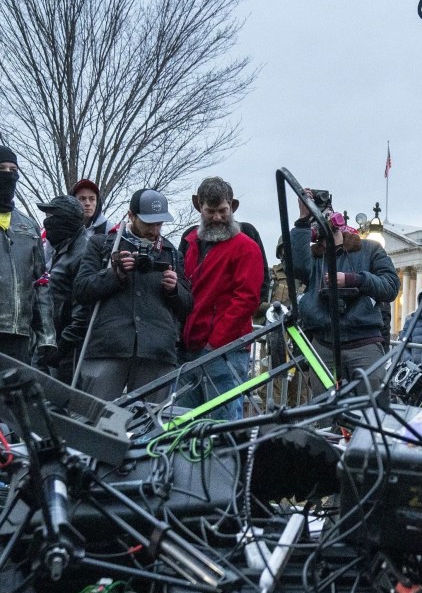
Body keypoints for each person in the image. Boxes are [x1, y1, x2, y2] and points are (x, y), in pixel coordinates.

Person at [73, 189, 192, 400]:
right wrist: (113, 275)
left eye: (160, 224)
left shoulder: (172, 253)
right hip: (108, 346)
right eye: (149, 223)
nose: (155, 230)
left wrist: (174, 290)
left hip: (156, 351)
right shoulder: (103, 245)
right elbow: (81, 290)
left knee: (150, 426)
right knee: (94, 419)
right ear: (131, 216)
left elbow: (187, 305)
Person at [179, 177, 265, 420]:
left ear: (232, 208)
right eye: (211, 211)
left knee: (221, 424)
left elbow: (246, 299)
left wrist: (216, 341)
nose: (217, 217)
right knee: (185, 421)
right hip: (193, 346)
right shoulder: (190, 244)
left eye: (222, 211)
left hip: (224, 349)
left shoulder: (246, 248)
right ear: (200, 208)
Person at [291, 198, 399, 390]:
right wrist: (302, 220)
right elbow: (297, 266)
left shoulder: (370, 250)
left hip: (363, 342)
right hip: (324, 343)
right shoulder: (315, 258)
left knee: (371, 407)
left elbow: (390, 287)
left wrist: (354, 280)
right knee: (324, 409)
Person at [0, 146, 56, 365]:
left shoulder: (28, 226)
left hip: (19, 335)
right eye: (1, 169)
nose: (8, 175)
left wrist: (47, 336)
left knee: (15, 398)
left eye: (13, 169)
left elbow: (41, 284)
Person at [36, 195, 89, 383]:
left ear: (64, 218)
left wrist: (63, 345)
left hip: (69, 351)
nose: (46, 221)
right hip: (50, 341)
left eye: (51, 215)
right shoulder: (60, 246)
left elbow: (84, 308)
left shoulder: (84, 251)